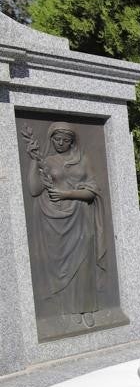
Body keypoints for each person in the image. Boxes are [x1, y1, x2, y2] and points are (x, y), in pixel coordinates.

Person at [23, 121, 106, 326]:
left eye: (65, 140)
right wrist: (34, 160)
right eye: (57, 139)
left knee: (83, 266)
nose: (61, 143)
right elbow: (34, 190)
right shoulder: (48, 161)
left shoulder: (83, 160)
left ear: (72, 141)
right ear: (51, 140)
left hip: (81, 218)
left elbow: (93, 190)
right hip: (55, 223)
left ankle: (85, 309)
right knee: (62, 267)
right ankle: (67, 309)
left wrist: (66, 193)